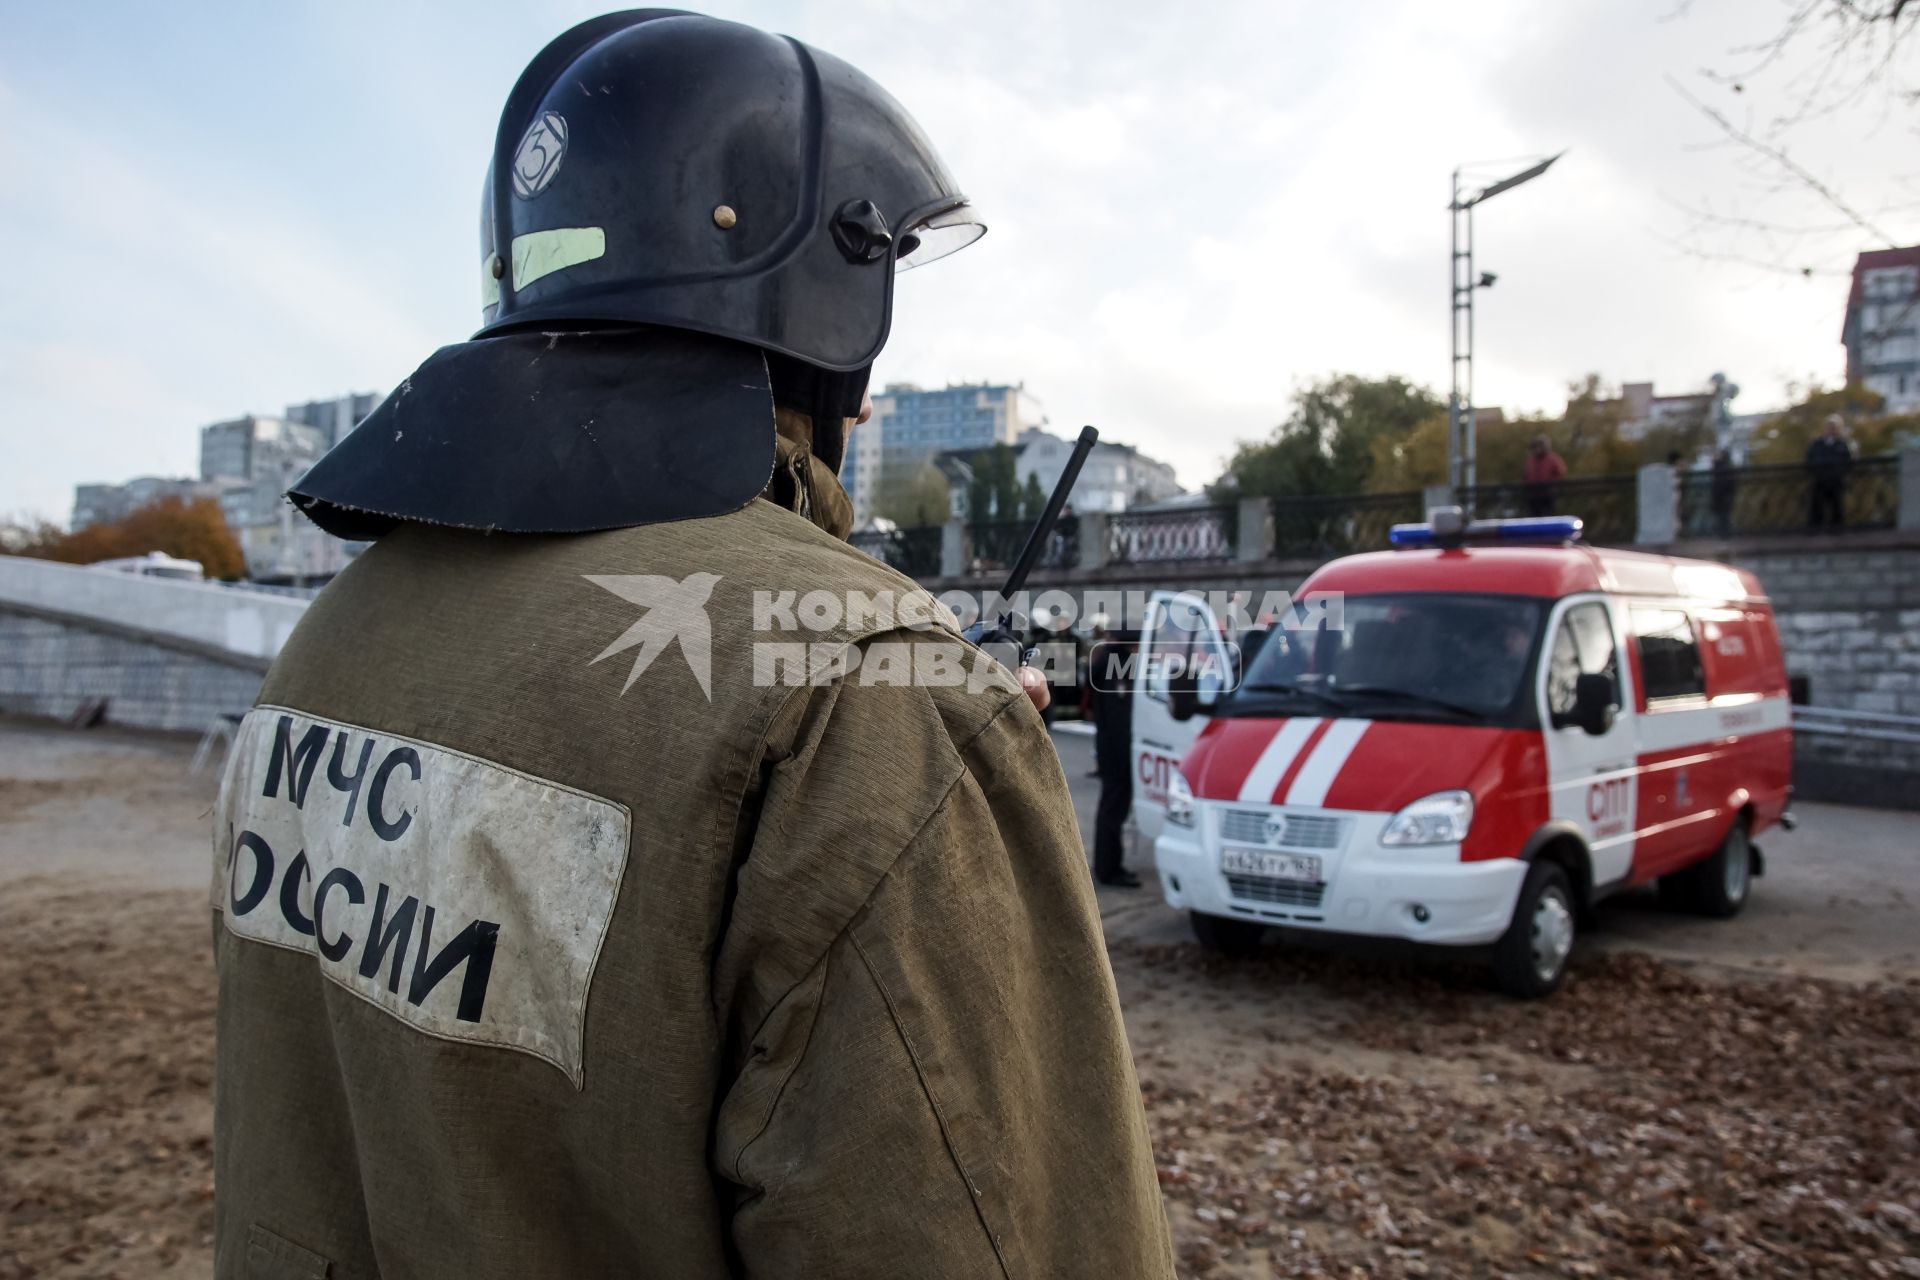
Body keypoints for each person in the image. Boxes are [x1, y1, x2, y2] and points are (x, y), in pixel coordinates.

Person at [209, 14, 1174, 1279]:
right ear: (822, 309)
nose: (870, 397)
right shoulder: (867, 703)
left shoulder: (334, 637)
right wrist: (931, 761)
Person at [1088, 627, 1141, 888]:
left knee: (1111, 809)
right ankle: (1109, 869)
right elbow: (1119, 715)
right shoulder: (1117, 663)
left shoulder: (1108, 658)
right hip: (1117, 751)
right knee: (1113, 810)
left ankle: (1107, 865)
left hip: (1110, 747)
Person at [1806, 414, 1853, 529]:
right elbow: (1809, 459)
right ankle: (1816, 531)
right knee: (1817, 509)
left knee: (1837, 508)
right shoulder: (1817, 444)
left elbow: (1848, 462)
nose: (1831, 429)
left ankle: (1837, 532)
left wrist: (1839, 474)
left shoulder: (1841, 444)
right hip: (1820, 481)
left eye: (1834, 427)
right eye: (1829, 426)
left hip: (1836, 481)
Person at [1523, 433, 1567, 517]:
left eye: (1539, 446)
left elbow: (1560, 473)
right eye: (1536, 446)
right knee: (1534, 516)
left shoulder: (1553, 459)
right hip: (1533, 494)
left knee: (1548, 516)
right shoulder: (1531, 461)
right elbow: (1526, 475)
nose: (1537, 449)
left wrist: (1552, 484)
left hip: (1547, 493)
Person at [1710, 447, 1738, 538]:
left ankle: (1724, 538)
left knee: (1722, 520)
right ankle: (1726, 537)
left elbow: (1720, 485)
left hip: (1721, 499)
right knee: (1724, 519)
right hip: (1725, 499)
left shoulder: (1719, 468)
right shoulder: (1726, 467)